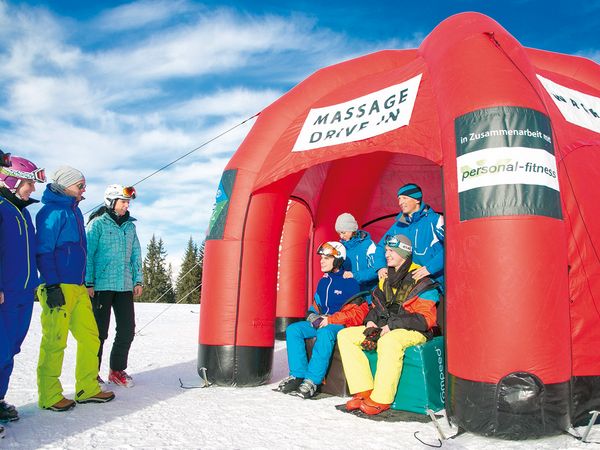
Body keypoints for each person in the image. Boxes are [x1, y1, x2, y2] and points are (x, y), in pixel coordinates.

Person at [36, 166, 115, 411]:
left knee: (91, 337)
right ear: (66, 186)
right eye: (80, 186)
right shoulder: (51, 213)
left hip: (78, 287)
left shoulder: (75, 213)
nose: (84, 190)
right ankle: (49, 395)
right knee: (55, 341)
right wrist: (51, 285)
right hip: (57, 286)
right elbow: (43, 251)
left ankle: (87, 387)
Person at [337, 234, 440, 415]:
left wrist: (391, 326)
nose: (387, 255)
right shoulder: (385, 278)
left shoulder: (421, 280)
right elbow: (376, 307)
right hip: (387, 327)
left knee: (389, 341)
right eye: (386, 250)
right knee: (345, 336)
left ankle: (381, 399)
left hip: (415, 330)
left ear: (404, 253)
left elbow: (426, 319)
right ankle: (363, 391)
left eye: (391, 251)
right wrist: (371, 321)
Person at [276, 241, 367, 399]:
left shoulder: (350, 283)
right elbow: (315, 307)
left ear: (338, 259)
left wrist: (331, 319)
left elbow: (357, 314)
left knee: (325, 333)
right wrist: (314, 317)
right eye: (321, 258)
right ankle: (298, 375)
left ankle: (312, 380)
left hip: (340, 324)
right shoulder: (323, 281)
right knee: (293, 329)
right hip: (323, 322)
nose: (321, 261)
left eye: (327, 258)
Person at [0, 156, 46, 423]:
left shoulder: (24, 213)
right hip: (4, 293)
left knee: (10, 350)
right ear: (12, 179)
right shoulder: (2, 208)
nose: (32, 188)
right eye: (29, 182)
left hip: (24, 292)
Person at [86, 184, 143, 387]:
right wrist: (88, 282)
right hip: (101, 286)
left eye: (127, 202)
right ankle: (90, 374)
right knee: (99, 332)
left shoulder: (130, 226)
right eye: (123, 201)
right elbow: (88, 254)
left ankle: (117, 370)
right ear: (111, 202)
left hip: (124, 286)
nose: (126, 205)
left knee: (127, 329)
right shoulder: (98, 224)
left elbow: (136, 254)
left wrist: (138, 280)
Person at [373, 183, 444, 287]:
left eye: (404, 198)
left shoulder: (435, 220)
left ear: (417, 200)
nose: (400, 202)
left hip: (436, 284)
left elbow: (451, 246)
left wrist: (430, 268)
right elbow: (381, 247)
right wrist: (380, 267)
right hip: (408, 285)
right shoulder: (399, 225)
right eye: (399, 199)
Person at [335, 213, 378, 293]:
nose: (341, 236)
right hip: (352, 296)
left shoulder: (368, 245)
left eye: (343, 232)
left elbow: (376, 270)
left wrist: (354, 276)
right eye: (339, 233)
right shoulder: (341, 249)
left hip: (370, 295)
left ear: (352, 230)